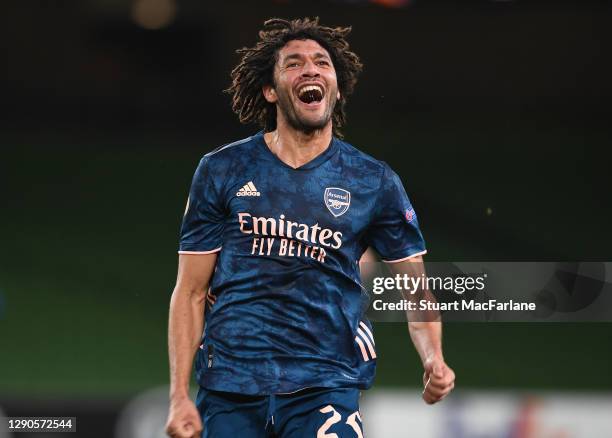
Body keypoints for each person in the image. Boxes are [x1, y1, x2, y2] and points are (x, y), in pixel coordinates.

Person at [165, 17, 455, 438]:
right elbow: (190, 291)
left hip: (326, 383)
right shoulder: (222, 170)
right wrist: (178, 395)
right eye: (294, 63)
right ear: (270, 90)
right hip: (231, 383)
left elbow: (415, 289)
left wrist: (433, 357)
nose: (311, 70)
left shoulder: (373, 181)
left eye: (322, 62)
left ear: (336, 88)